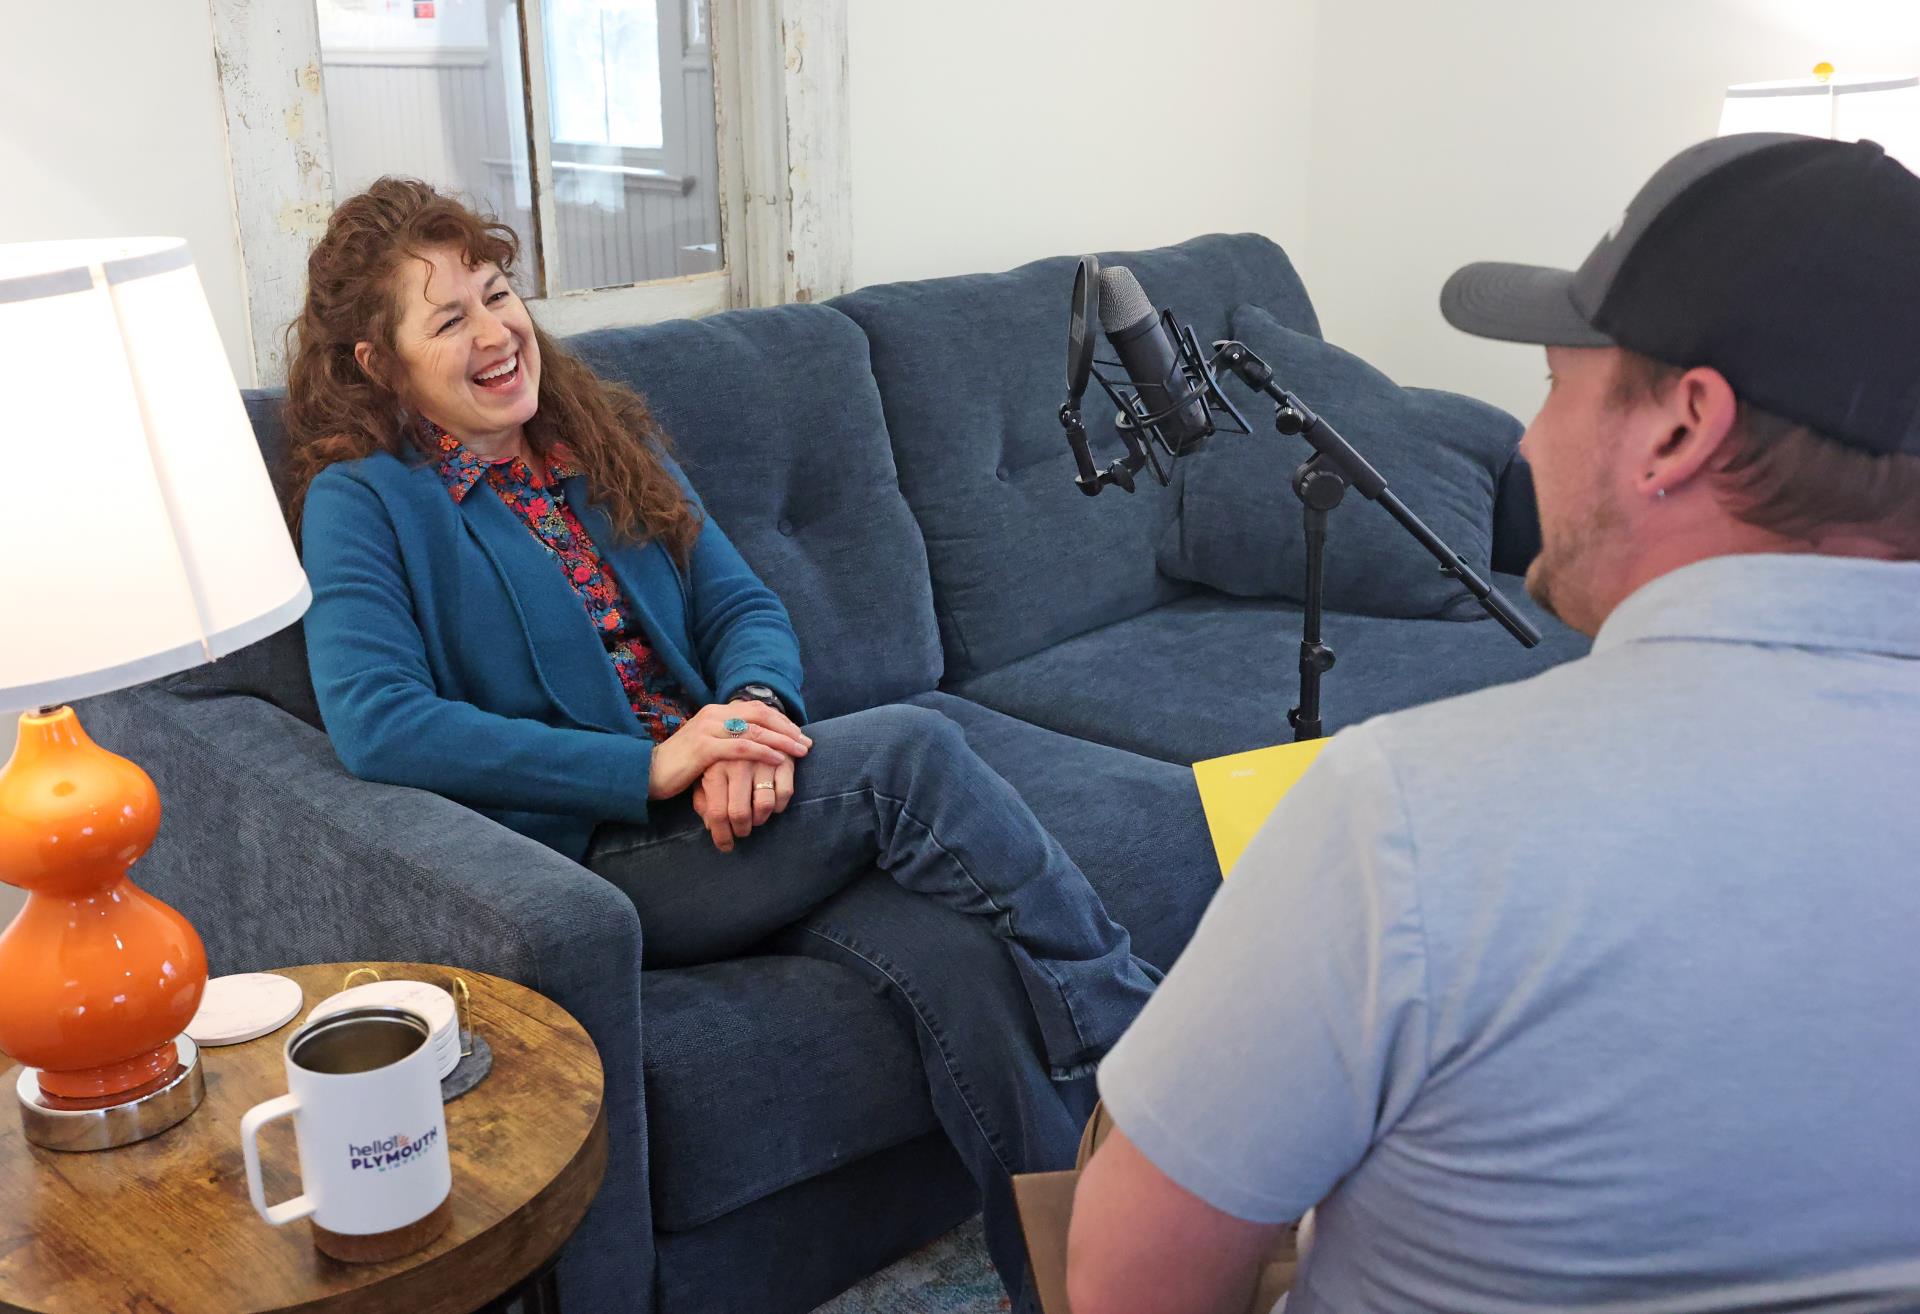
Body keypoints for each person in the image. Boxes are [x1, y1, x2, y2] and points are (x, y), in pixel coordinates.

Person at [1067, 132, 1920, 1314]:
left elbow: (1131, 1294)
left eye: (1559, 386)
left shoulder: (1410, 817)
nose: (1527, 440)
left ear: (1681, 429)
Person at [284, 177, 1161, 1310]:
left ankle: (1090, 1287)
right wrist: (650, 764)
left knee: (963, 962)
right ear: (376, 362)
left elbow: (741, 605)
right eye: (447, 319)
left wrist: (744, 722)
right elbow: (379, 721)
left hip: (733, 810)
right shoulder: (366, 501)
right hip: (602, 852)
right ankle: (1152, 1057)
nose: (497, 331)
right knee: (911, 751)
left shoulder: (590, 433)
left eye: (498, 294)